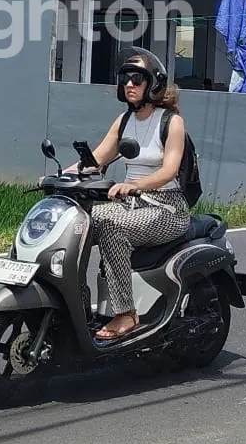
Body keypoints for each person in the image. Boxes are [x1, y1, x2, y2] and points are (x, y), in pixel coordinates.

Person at [74, 48, 191, 340]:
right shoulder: (124, 121)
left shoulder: (171, 122)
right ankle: (75, 302)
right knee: (77, 222)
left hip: (167, 208)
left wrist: (136, 185)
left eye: (137, 79)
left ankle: (126, 313)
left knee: (111, 228)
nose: (129, 84)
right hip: (130, 204)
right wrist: (62, 175)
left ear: (153, 83)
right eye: (125, 78)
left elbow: (170, 170)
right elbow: (96, 160)